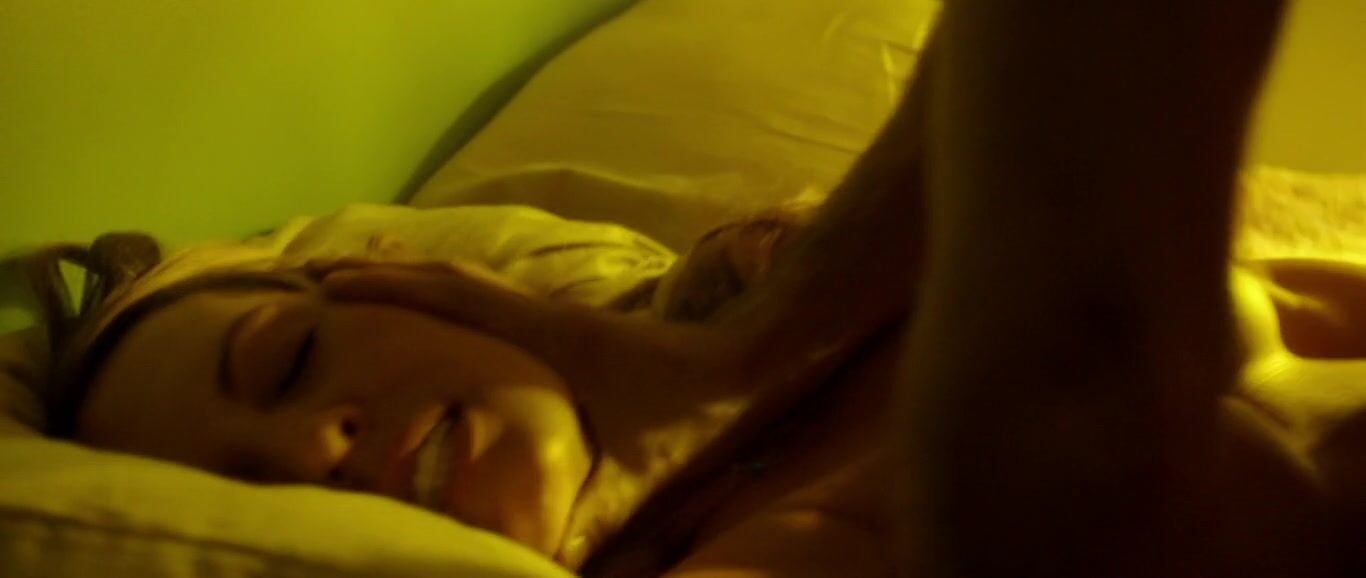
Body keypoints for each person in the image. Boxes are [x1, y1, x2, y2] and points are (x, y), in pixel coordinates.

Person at [16, 2, 1363, 577]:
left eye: (287, 363)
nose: (317, 449)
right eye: (261, 491)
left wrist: (749, 344)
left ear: (414, 283)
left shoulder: (824, 298)